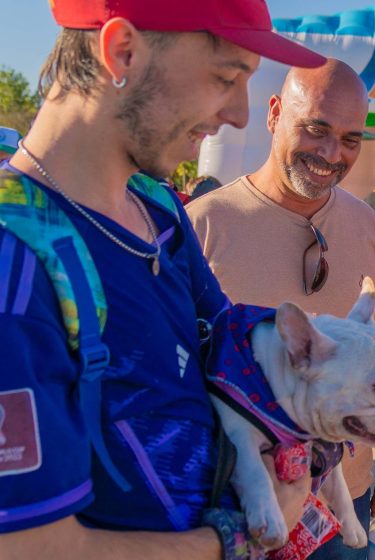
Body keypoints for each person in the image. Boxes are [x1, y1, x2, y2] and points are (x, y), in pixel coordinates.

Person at [0, 1, 326, 558]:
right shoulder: (18, 260)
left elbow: (232, 360)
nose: (243, 115)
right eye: (226, 77)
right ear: (121, 50)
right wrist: (232, 543)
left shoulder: (157, 210)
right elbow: (34, 546)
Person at [186, 59, 375, 560]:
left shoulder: (368, 227)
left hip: (342, 500)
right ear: (274, 114)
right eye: (315, 129)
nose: (332, 154)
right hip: (231, 505)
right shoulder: (203, 226)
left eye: (351, 140)